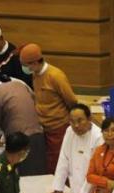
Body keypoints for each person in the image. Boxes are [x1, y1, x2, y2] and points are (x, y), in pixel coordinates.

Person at [20, 43, 78, 174]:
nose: (24, 68)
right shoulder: (35, 74)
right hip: (44, 127)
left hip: (59, 127)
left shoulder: (55, 76)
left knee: (57, 164)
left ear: (35, 62)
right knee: (47, 162)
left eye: (25, 64)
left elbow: (72, 100)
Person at [0, 71, 46, 175]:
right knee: (38, 177)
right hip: (39, 135)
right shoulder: (19, 84)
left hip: (20, 141)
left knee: (24, 180)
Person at [46, 104, 102, 193]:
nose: (76, 125)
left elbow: (95, 170)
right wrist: (58, 188)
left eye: (80, 120)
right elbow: (63, 159)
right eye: (72, 121)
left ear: (89, 119)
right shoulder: (69, 131)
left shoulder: (98, 136)